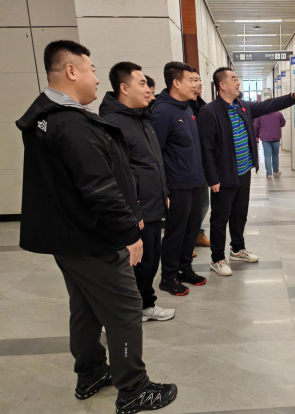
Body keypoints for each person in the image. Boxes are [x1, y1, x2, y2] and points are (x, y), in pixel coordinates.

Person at [15, 40, 176, 413]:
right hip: (93, 236)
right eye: (90, 70)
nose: (96, 78)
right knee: (125, 309)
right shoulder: (71, 123)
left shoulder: (45, 116)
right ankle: (134, 389)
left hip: (69, 237)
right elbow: (100, 188)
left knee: (85, 306)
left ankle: (90, 374)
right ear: (71, 71)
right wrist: (129, 234)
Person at [197, 67, 295, 276]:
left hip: (244, 171)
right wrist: (212, 178)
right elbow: (206, 149)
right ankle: (217, 258)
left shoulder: (242, 106)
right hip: (224, 175)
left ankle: (237, 249)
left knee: (240, 213)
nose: (238, 82)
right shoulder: (209, 112)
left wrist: (294, 96)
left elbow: (268, 105)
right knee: (220, 218)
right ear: (222, 85)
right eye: (234, 79)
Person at [99, 61, 174, 322]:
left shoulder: (141, 118)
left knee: (150, 261)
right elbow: (117, 175)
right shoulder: (113, 123)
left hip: (152, 205)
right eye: (141, 84)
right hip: (137, 210)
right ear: (124, 88)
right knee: (133, 265)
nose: (148, 90)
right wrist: (134, 211)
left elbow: (152, 162)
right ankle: (123, 314)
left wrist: (164, 192)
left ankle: (145, 305)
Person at [151, 62, 207, 295]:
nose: (196, 85)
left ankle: (185, 269)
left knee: (191, 229)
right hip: (177, 185)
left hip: (194, 181)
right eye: (191, 80)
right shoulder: (163, 112)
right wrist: (164, 190)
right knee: (176, 232)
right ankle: (169, 276)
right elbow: (155, 153)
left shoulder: (186, 108)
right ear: (176, 83)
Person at [187, 67, 211, 251]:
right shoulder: (179, 108)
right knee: (188, 205)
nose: (199, 83)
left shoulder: (202, 107)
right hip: (185, 166)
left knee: (203, 202)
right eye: (194, 80)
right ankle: (186, 240)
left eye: (199, 79)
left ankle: (197, 233)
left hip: (202, 162)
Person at [254, 111, 286, 178]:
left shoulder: (260, 115)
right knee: (275, 155)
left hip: (265, 138)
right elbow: (283, 123)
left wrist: (256, 136)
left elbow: (256, 126)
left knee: (267, 156)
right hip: (276, 137)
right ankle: (276, 171)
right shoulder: (278, 114)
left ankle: (268, 174)